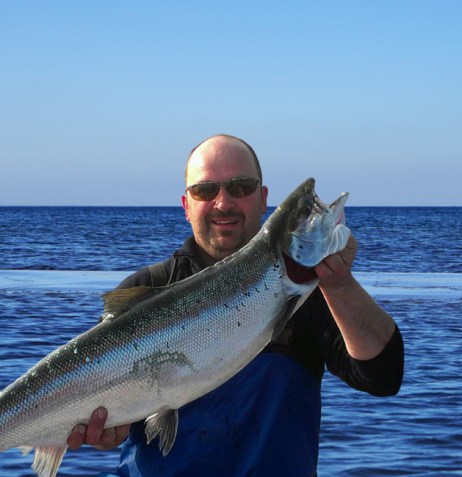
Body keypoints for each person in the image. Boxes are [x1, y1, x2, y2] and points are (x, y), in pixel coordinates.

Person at [66, 134, 405, 476]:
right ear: (186, 205)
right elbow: (99, 404)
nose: (223, 202)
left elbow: (382, 376)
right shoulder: (143, 291)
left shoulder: (311, 295)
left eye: (240, 187)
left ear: (263, 199)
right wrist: (105, 431)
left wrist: (340, 283)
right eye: (205, 191)